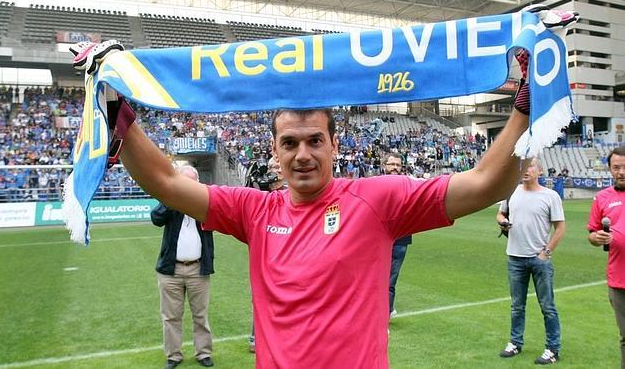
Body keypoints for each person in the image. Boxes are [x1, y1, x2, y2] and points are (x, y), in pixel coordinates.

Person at [78, 39, 535, 368]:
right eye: (290, 143)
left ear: (335, 145)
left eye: (315, 140)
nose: (303, 155)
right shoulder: (255, 212)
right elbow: (165, 182)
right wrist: (119, 109)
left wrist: (524, 105)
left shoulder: (379, 199)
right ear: (274, 152)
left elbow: (487, 183)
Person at [496, 158, 565, 365]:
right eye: (523, 167)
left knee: (547, 306)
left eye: (530, 166)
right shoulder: (511, 192)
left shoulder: (550, 196)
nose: (526, 170)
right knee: (517, 305)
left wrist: (546, 252)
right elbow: (500, 213)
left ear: (539, 170)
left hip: (539, 260)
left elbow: (560, 228)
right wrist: (503, 222)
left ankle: (553, 348)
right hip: (515, 257)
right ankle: (516, 342)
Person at [151, 165, 215, 369]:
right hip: (171, 270)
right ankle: (173, 355)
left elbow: (218, 220)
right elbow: (156, 218)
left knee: (200, 315)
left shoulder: (206, 204)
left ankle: (203, 352)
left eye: (191, 183)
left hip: (198, 269)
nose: (188, 187)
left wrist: (197, 202)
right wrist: (174, 199)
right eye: (184, 182)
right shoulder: (171, 201)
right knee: (171, 316)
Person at [587, 146, 625, 369]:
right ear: (610, 170)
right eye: (616, 167)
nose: (621, 172)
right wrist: (596, 238)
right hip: (619, 280)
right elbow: (591, 234)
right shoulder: (602, 198)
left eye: (624, 167)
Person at [248, 156, 287, 353]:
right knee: (260, 299)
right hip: (265, 260)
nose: (275, 171)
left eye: (278, 167)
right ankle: (256, 337)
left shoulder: (292, 193)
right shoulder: (260, 194)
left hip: (289, 261)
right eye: (272, 167)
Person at [383, 153, 413, 318]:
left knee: (391, 279)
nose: (394, 167)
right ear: (385, 166)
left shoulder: (409, 187)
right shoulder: (375, 186)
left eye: (398, 165)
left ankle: (385, 313)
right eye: (391, 164)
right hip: (379, 241)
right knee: (377, 278)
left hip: (400, 241)